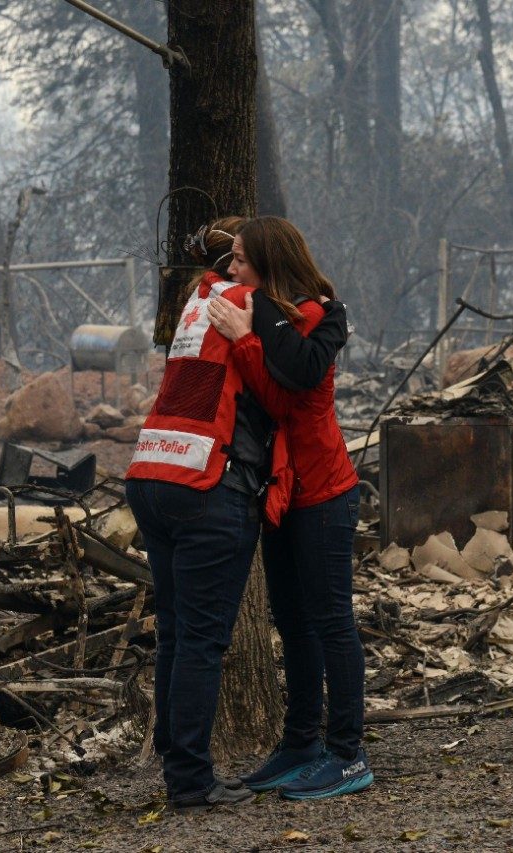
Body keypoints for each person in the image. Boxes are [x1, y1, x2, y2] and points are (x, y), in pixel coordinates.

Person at [206, 215, 372, 801]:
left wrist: (246, 337)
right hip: (279, 492)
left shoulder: (320, 314)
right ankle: (302, 741)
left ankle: (349, 755)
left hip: (324, 490)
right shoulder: (261, 311)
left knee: (330, 622)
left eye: (242, 259)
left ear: (271, 263)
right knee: (293, 622)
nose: (232, 270)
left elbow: (289, 390)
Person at [124, 217, 270, 812]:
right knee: (204, 642)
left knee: (178, 635)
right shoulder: (249, 303)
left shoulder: (198, 298)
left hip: (152, 471)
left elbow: (217, 268)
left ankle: (170, 752)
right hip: (207, 480)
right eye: (239, 255)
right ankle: (189, 779)